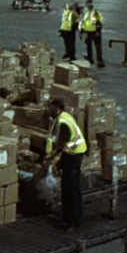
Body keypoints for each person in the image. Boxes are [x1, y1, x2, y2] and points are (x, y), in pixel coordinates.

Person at [46, 98, 87, 230]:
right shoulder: (64, 117)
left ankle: (71, 220)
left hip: (74, 154)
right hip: (73, 153)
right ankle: (75, 215)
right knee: (73, 185)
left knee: (70, 187)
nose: (49, 110)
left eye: (51, 108)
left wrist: (52, 158)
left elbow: (63, 143)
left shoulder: (62, 121)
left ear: (57, 108)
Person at [80, 0, 105, 67]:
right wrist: (81, 30)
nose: (88, 5)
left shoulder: (95, 12)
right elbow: (82, 22)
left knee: (97, 46)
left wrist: (98, 31)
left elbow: (99, 22)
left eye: (90, 4)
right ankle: (90, 59)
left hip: (95, 31)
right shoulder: (85, 12)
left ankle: (99, 60)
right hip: (88, 31)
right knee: (88, 46)